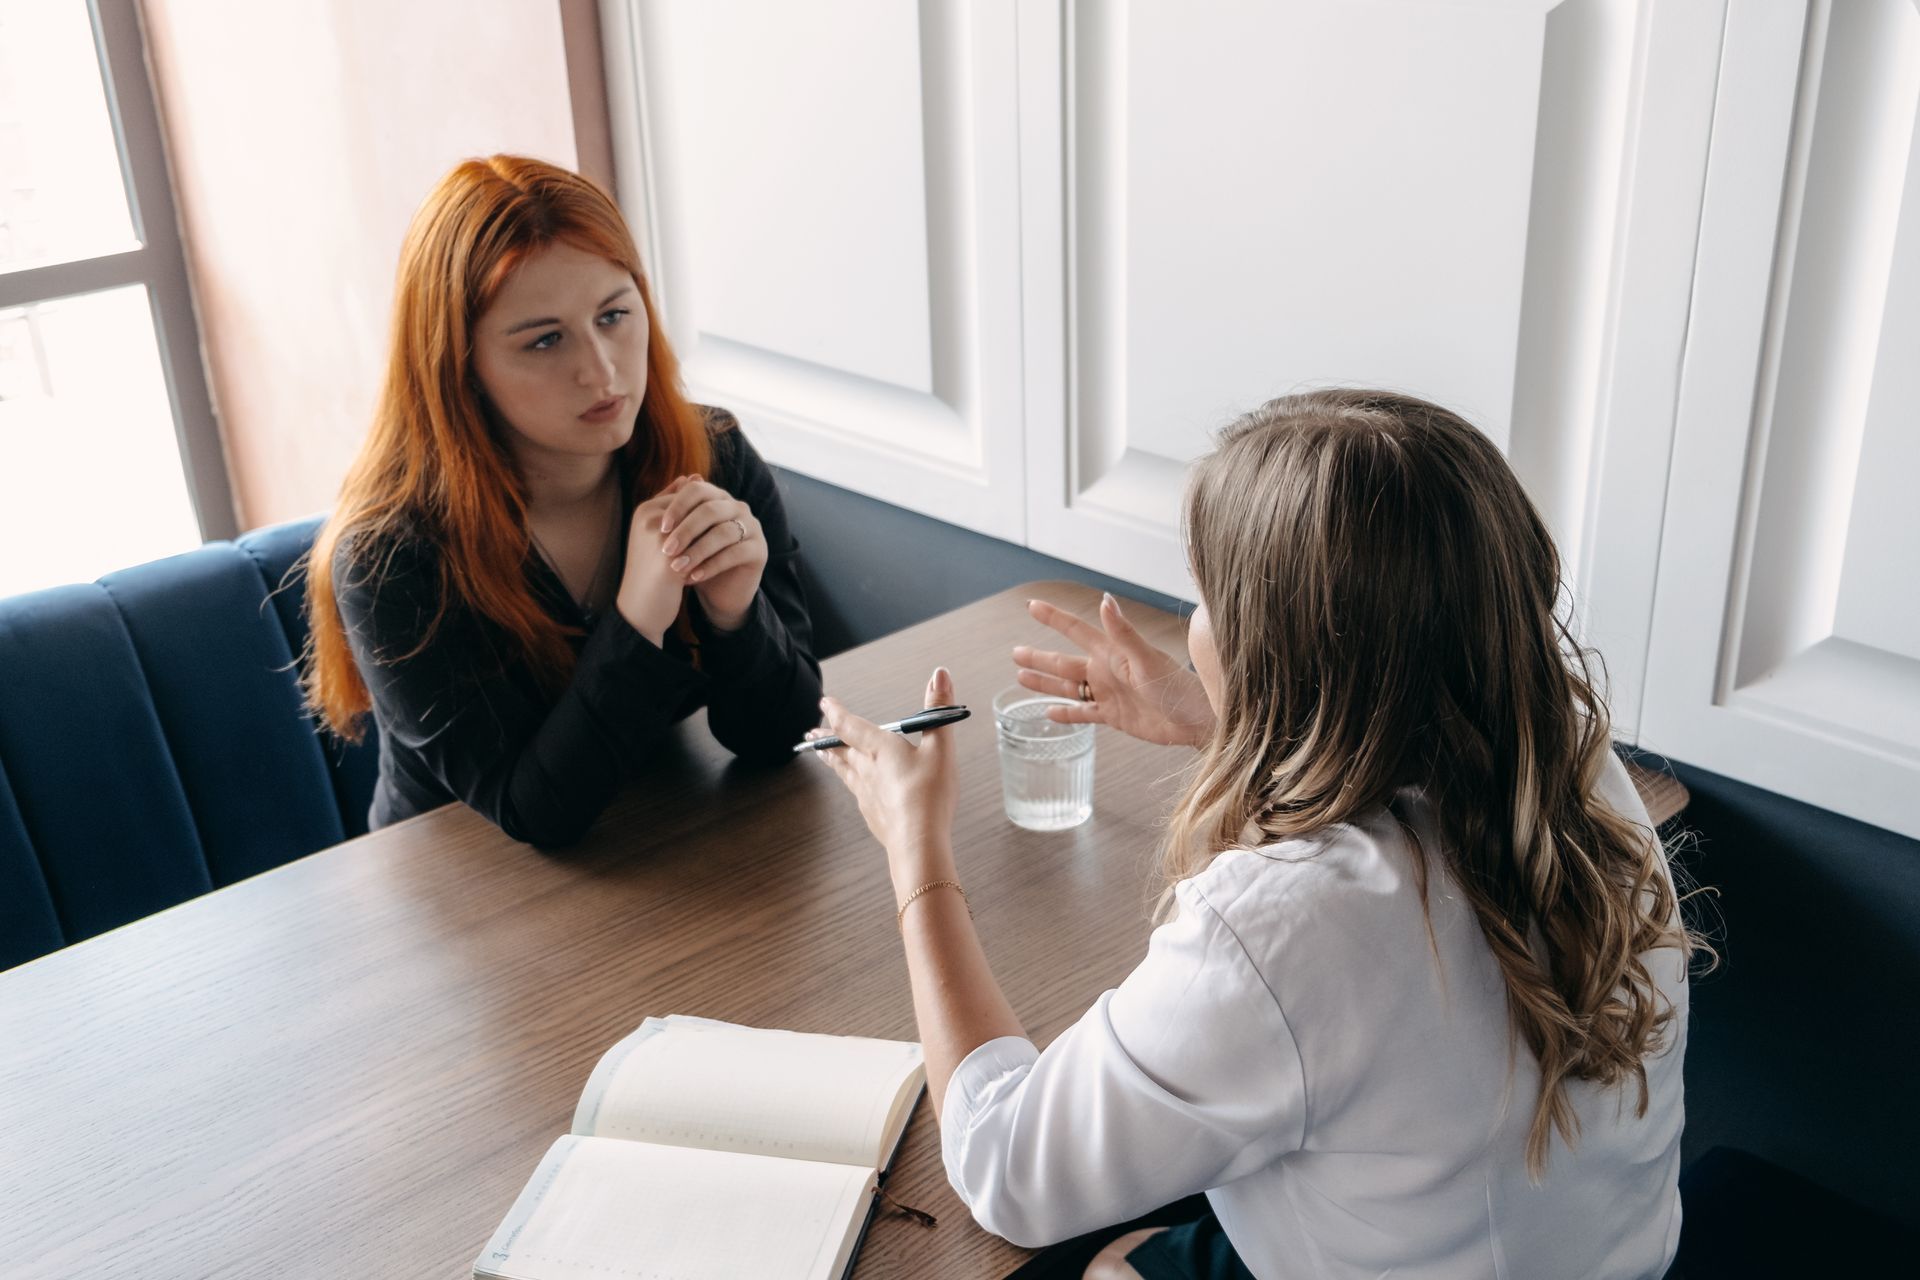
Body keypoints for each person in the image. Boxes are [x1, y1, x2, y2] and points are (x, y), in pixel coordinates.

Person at [810, 390, 1701, 1279]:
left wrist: (913, 844)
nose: (1192, 625)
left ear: (1279, 650)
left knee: (1104, 1265)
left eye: (1202, 600)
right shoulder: (1574, 763)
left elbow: (1007, 1165)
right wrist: (1231, 721)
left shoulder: (1288, 924)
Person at [303, 156, 820, 845]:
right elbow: (534, 812)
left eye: (613, 315)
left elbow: (777, 738)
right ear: (459, 367)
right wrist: (639, 616)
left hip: (655, 844)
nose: (601, 370)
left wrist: (736, 617)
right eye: (544, 340)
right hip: (453, 891)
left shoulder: (711, 455)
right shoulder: (390, 558)